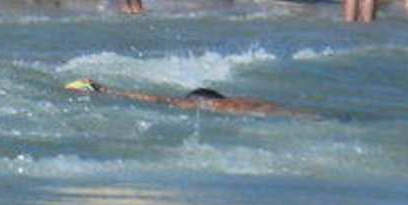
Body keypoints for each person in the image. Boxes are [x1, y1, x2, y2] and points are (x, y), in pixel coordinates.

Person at [64, 79, 312, 118]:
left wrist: (102, 89)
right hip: (279, 111)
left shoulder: (202, 104)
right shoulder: (246, 100)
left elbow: (157, 100)